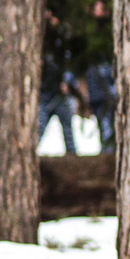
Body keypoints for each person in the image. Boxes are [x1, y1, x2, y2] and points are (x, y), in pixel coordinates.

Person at [39, 10, 78, 155]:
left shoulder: (64, 39)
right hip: (45, 93)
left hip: (61, 93)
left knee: (68, 132)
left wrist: (67, 82)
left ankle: (73, 160)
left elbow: (70, 62)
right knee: (39, 127)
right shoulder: (42, 39)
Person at [84, 0, 116, 154]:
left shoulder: (110, 33)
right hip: (98, 94)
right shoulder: (89, 35)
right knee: (105, 130)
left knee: (109, 130)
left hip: (110, 92)